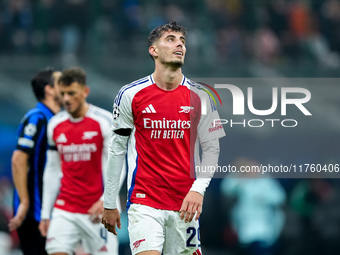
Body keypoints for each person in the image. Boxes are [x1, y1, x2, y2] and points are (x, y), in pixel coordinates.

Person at [102, 22, 226, 255]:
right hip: (144, 201)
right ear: (154, 50)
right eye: (171, 39)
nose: (179, 43)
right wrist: (109, 202)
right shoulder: (131, 94)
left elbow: (211, 148)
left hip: (185, 204)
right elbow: (117, 149)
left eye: (182, 41)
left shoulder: (200, 95)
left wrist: (198, 189)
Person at [39, 67, 123, 255]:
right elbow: (52, 170)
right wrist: (46, 213)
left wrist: (106, 200)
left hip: (98, 210)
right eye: (63, 94)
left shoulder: (104, 121)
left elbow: (118, 165)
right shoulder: (55, 125)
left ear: (85, 92)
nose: (66, 99)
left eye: (72, 93)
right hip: (65, 208)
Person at [8, 67, 62, 255]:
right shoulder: (37, 118)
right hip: (35, 211)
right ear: (49, 89)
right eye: (60, 82)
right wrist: (24, 202)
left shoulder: (58, 120)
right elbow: (18, 159)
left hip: (54, 209)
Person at [220, 158, 286, 255]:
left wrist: (264, 198)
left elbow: (280, 197)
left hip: (265, 227)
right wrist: (240, 175)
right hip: (244, 227)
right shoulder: (241, 180)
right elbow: (226, 187)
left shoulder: (266, 180)